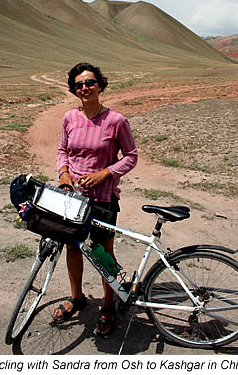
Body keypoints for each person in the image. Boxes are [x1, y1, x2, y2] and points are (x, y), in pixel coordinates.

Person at [54, 62, 138, 337]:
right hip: (73, 198)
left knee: (103, 253)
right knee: (73, 248)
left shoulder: (116, 121)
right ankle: (77, 297)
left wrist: (105, 173)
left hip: (102, 198)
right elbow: (62, 150)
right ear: (73, 89)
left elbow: (131, 157)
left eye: (90, 82)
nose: (85, 88)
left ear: (100, 85)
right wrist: (64, 173)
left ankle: (108, 304)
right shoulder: (69, 118)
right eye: (79, 84)